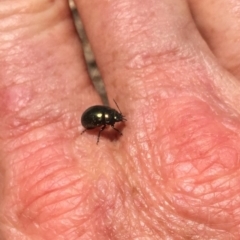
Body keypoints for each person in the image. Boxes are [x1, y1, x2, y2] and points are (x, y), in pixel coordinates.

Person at [1, 0, 240, 239]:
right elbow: (99, 121)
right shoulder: (104, 121)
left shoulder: (108, 118)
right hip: (91, 118)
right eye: (116, 118)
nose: (117, 120)